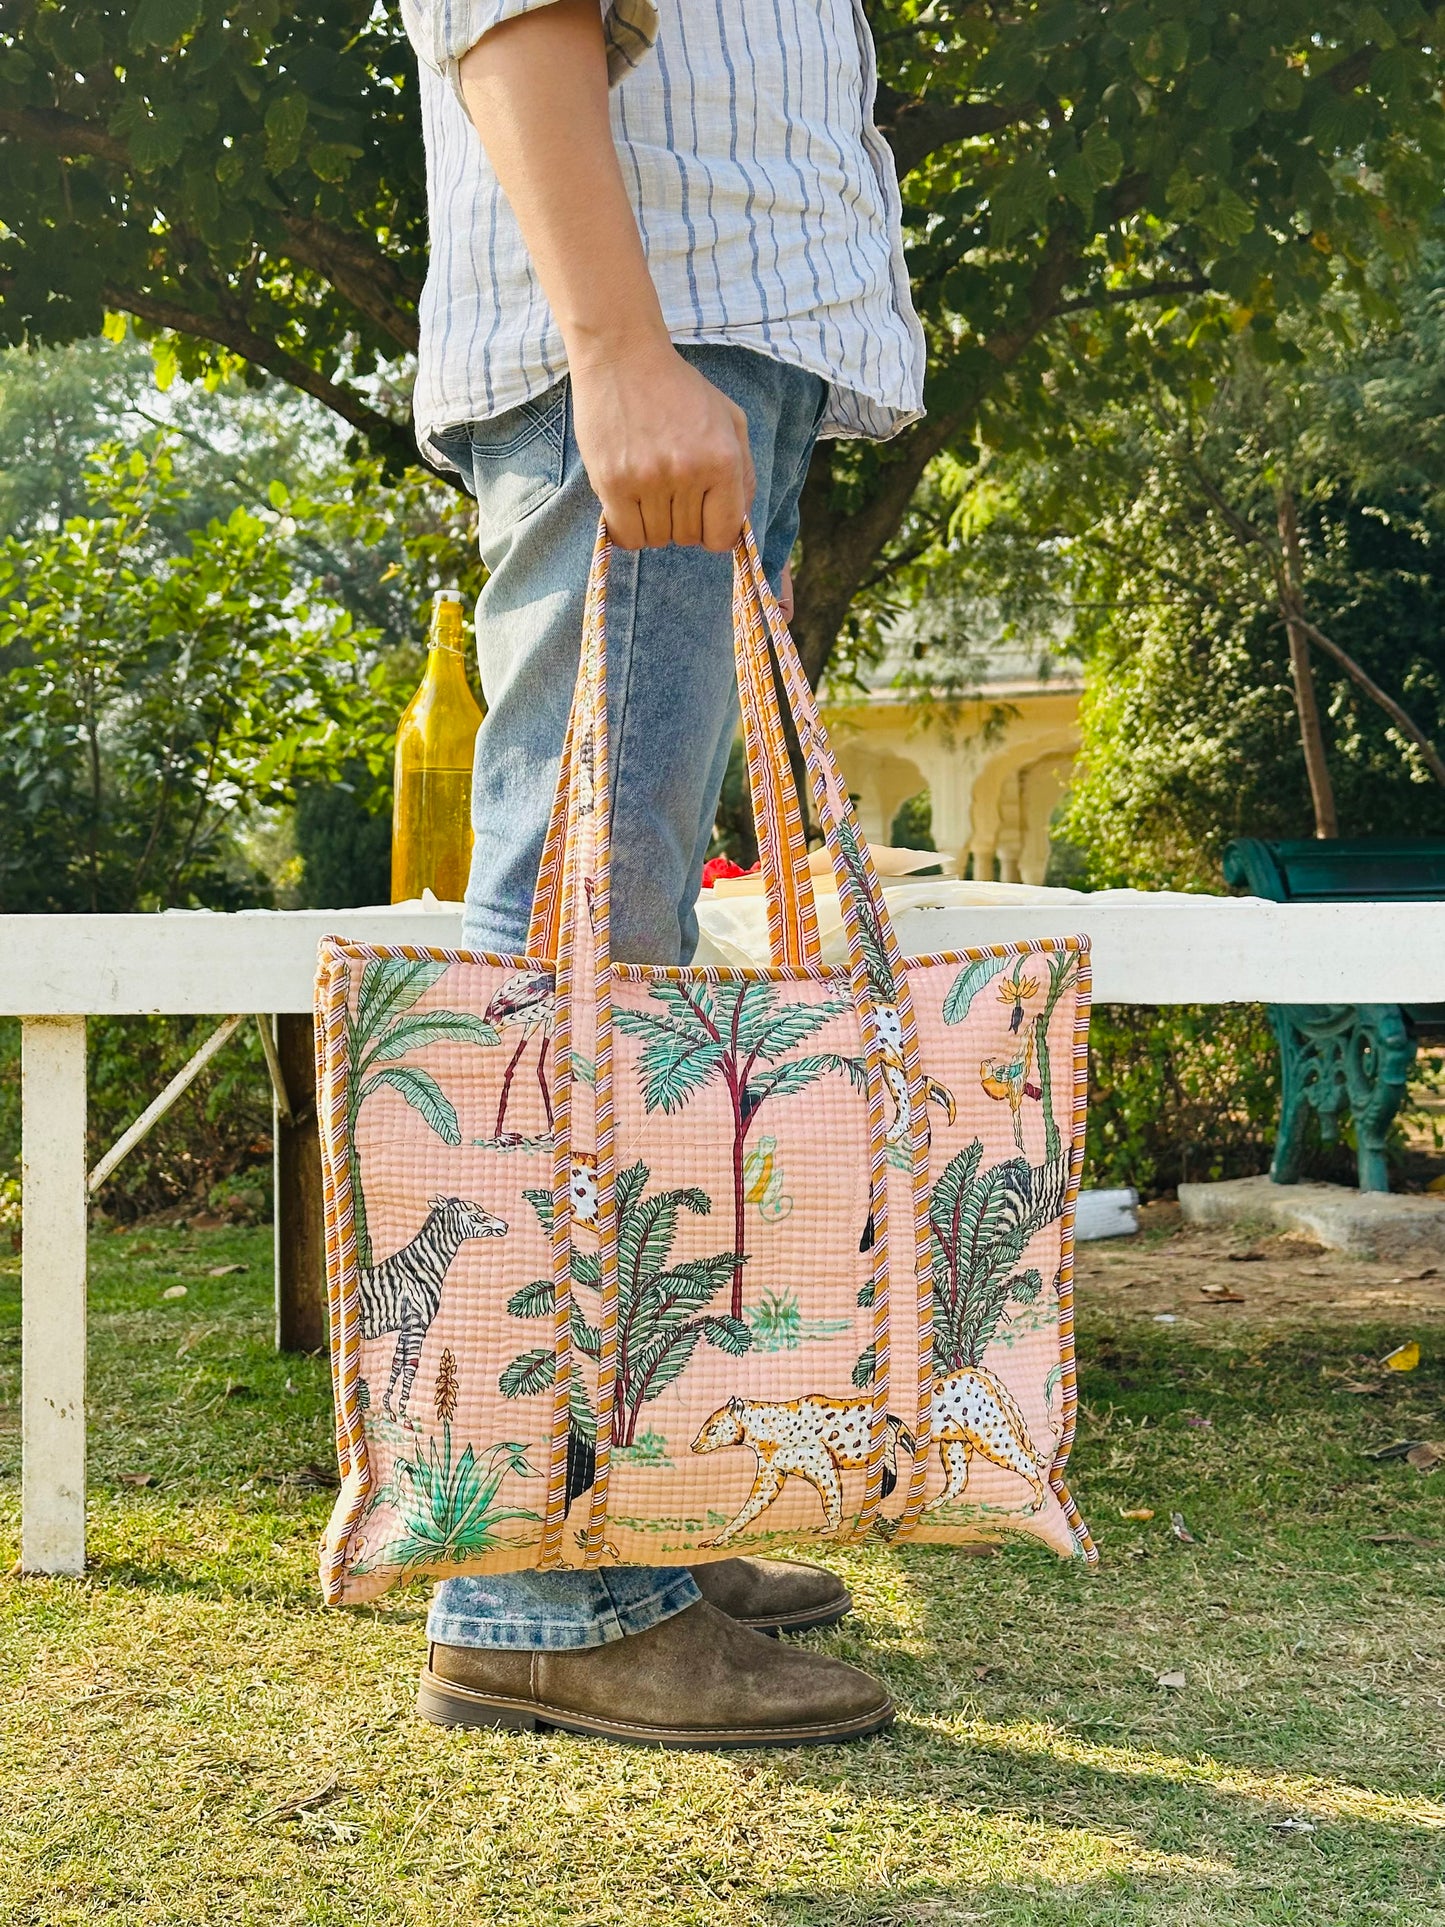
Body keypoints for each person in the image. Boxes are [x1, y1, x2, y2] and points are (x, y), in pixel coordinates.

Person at [401, 0, 925, 1749]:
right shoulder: (632, 346)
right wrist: (617, 347)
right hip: (642, 326)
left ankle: (600, 1533)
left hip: (713, 329)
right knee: (572, 940)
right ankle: (535, 1592)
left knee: (618, 943)